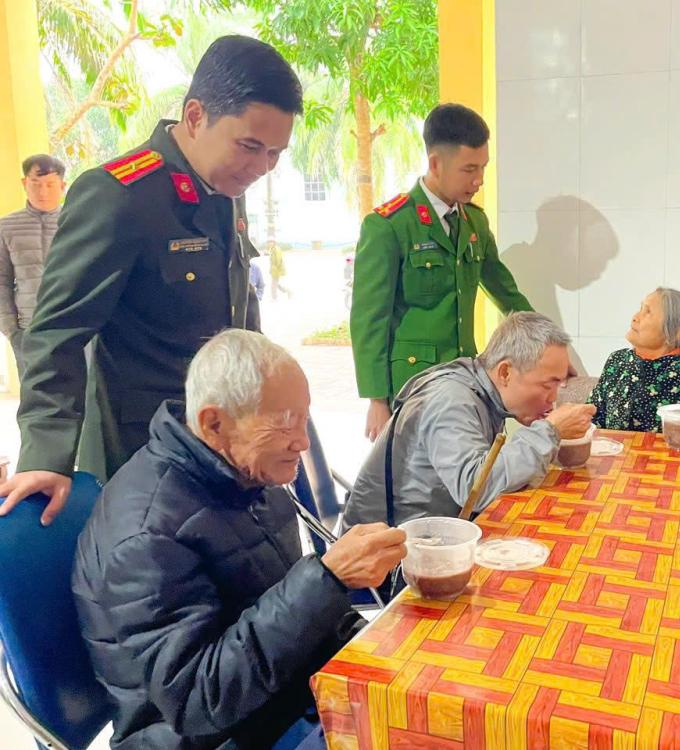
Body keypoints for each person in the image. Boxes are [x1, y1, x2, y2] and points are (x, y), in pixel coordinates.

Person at [0, 35, 301, 524]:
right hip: (144, 454)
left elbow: (238, 312)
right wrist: (45, 455)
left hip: (221, 447)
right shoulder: (119, 195)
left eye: (274, 153)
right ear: (195, 116)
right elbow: (57, 333)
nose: (261, 167)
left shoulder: (225, 184)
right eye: (250, 147)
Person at [72, 329, 407, 750]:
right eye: (285, 422)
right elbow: (198, 701)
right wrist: (327, 580)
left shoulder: (247, 472)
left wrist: (380, 647)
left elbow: (291, 615)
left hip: (281, 697)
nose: (303, 442)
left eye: (304, 418)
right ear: (214, 423)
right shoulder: (147, 536)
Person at [351, 103, 533, 442]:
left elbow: (506, 293)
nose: (479, 180)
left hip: (465, 382)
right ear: (435, 163)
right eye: (469, 169)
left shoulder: (474, 221)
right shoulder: (390, 225)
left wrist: (546, 346)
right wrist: (376, 400)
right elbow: (369, 319)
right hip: (414, 387)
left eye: (483, 168)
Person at [343, 312, 595, 532]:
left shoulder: (479, 388)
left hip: (440, 531)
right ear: (505, 372)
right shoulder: (452, 400)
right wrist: (549, 431)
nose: (553, 398)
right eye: (548, 385)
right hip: (391, 553)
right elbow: (473, 490)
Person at [588, 288, 680, 436]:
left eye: (647, 312)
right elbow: (592, 418)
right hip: (615, 450)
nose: (635, 317)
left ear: (674, 333)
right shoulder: (617, 361)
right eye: (640, 309)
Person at [0, 154, 66, 378]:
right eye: (35, 183)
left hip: (71, 326)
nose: (42, 192)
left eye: (50, 184)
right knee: (34, 393)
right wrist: (12, 331)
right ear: (24, 183)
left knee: (80, 393)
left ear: (62, 186)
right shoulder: (6, 227)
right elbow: (2, 282)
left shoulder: (76, 223)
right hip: (29, 329)